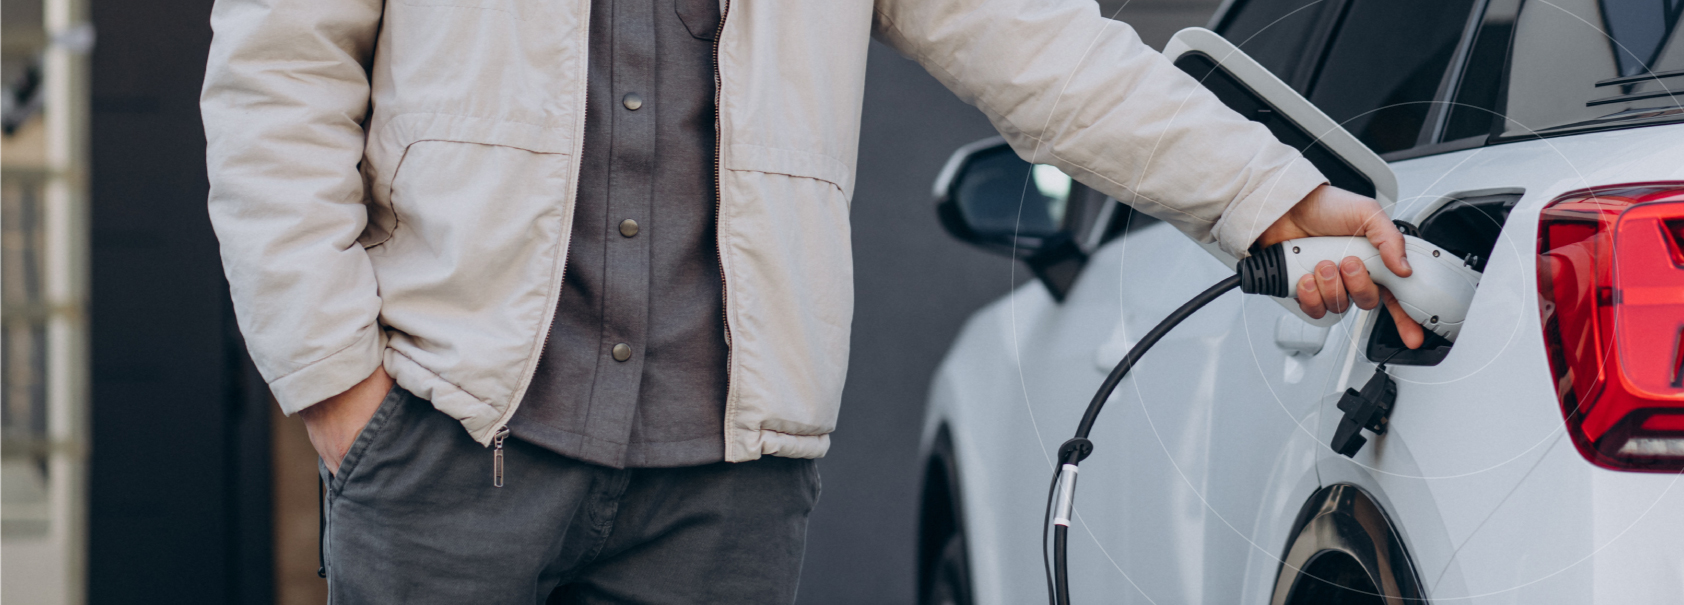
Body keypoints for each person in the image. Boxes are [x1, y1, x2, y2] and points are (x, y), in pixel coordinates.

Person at [200, 0, 1427, 601]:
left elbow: (1039, 48)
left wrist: (1268, 195)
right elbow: (276, 80)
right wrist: (340, 390)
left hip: (723, 480)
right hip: (451, 440)